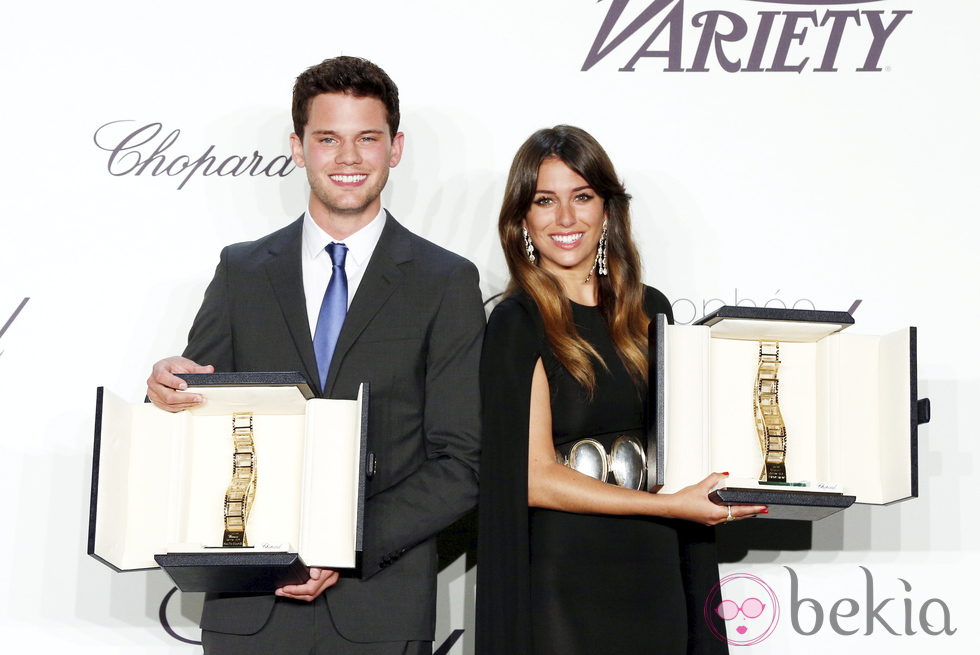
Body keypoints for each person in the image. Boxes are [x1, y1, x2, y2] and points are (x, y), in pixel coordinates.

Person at [146, 56, 485, 655]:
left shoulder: (445, 282)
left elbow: (462, 463)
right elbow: (202, 423)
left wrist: (341, 544)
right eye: (327, 138)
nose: (348, 158)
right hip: (250, 607)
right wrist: (167, 393)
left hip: (378, 608)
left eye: (367, 139)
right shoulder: (241, 270)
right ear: (298, 148)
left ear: (396, 147)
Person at [475, 125, 766, 655]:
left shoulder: (652, 310)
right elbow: (534, 479)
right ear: (522, 218)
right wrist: (671, 508)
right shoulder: (516, 321)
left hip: (657, 564)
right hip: (567, 572)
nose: (566, 219)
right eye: (545, 201)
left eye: (582, 197)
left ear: (607, 210)